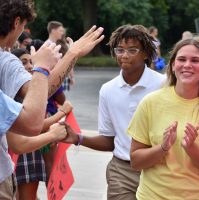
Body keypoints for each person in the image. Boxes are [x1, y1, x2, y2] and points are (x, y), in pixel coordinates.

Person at [0, 0, 104, 199]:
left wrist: (71, 54)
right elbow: (31, 124)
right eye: (23, 26)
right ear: (16, 22)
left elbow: (39, 90)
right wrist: (41, 68)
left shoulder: (5, 59)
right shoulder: (7, 59)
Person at [63, 24, 165, 200]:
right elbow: (109, 140)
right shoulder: (108, 90)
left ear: (146, 53)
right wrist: (78, 138)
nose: (124, 55)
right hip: (122, 171)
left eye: (132, 50)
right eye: (120, 50)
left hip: (159, 169)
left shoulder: (163, 85)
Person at [127, 38, 199, 199]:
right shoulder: (151, 102)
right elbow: (135, 162)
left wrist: (192, 148)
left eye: (195, 60)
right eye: (182, 59)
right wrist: (162, 148)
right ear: (172, 65)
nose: (187, 65)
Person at [10, 47, 72, 200]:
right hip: (23, 150)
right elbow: (32, 125)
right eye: (23, 63)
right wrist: (60, 114)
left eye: (31, 62)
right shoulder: (15, 94)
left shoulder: (35, 86)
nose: (30, 66)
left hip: (30, 147)